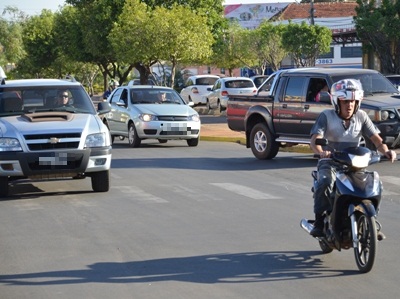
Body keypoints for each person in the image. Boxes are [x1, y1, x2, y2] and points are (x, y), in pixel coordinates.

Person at [309, 79, 396, 237]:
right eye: (345, 101)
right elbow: (315, 140)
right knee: (325, 182)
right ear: (337, 101)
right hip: (330, 163)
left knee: (375, 184)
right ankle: (320, 221)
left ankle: (372, 219)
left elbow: (376, 139)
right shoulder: (326, 116)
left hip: (354, 165)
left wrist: (386, 151)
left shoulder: (361, 116)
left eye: (353, 101)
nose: (349, 105)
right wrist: (322, 151)